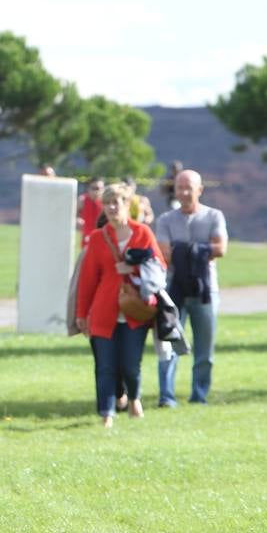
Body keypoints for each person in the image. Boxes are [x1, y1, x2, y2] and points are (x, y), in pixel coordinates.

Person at [74, 183, 165, 428]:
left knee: (130, 363)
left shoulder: (142, 232)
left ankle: (134, 398)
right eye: (108, 203)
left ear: (128, 204)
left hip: (135, 309)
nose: (113, 207)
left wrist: (132, 267)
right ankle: (107, 412)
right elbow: (87, 280)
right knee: (105, 365)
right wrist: (82, 314)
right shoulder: (96, 238)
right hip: (104, 310)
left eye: (118, 202)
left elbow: (159, 268)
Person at [154, 169, 228, 406]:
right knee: (170, 343)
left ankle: (199, 394)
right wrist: (201, 250)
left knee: (204, 349)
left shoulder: (214, 216)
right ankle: (167, 396)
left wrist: (184, 250)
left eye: (189, 187)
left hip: (206, 291)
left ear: (200, 190)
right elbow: (164, 253)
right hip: (174, 289)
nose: (184, 193)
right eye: (179, 188)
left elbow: (220, 249)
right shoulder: (166, 220)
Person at [77, 177, 105, 247]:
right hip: (86, 239)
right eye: (94, 188)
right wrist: (77, 219)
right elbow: (73, 215)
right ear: (88, 189)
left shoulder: (106, 202)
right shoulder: (82, 200)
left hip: (103, 239)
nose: (97, 191)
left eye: (100, 188)